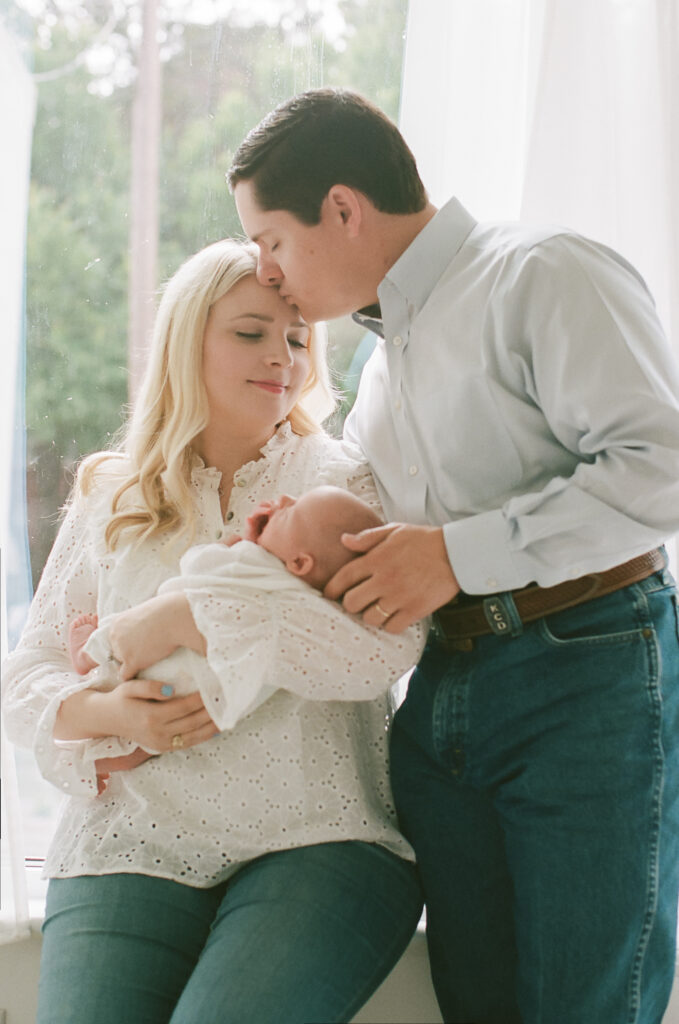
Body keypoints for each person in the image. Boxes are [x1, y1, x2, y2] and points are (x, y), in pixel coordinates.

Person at [227, 87, 679, 1024]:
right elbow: (399, 538)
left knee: (584, 1007)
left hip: (583, 678)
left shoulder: (545, 272)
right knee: (477, 1004)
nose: (266, 271)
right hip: (442, 701)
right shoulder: (378, 364)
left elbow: (660, 471)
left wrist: (455, 558)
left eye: (271, 239)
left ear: (343, 209)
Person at [2, 238, 426, 1024]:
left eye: (298, 339)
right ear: (186, 338)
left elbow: (383, 650)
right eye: (250, 332)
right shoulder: (113, 493)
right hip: (130, 841)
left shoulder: (340, 482)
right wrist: (111, 715)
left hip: (319, 837)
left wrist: (189, 613)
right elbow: (23, 678)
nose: (283, 358)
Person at [67, 485, 384, 792]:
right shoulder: (312, 603)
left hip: (169, 653)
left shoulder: (250, 558)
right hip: (208, 690)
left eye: (291, 511)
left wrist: (238, 545)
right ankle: (112, 757)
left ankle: (88, 653)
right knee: (159, 735)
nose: (285, 498)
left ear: (300, 562)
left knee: (125, 628)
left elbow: (197, 565)